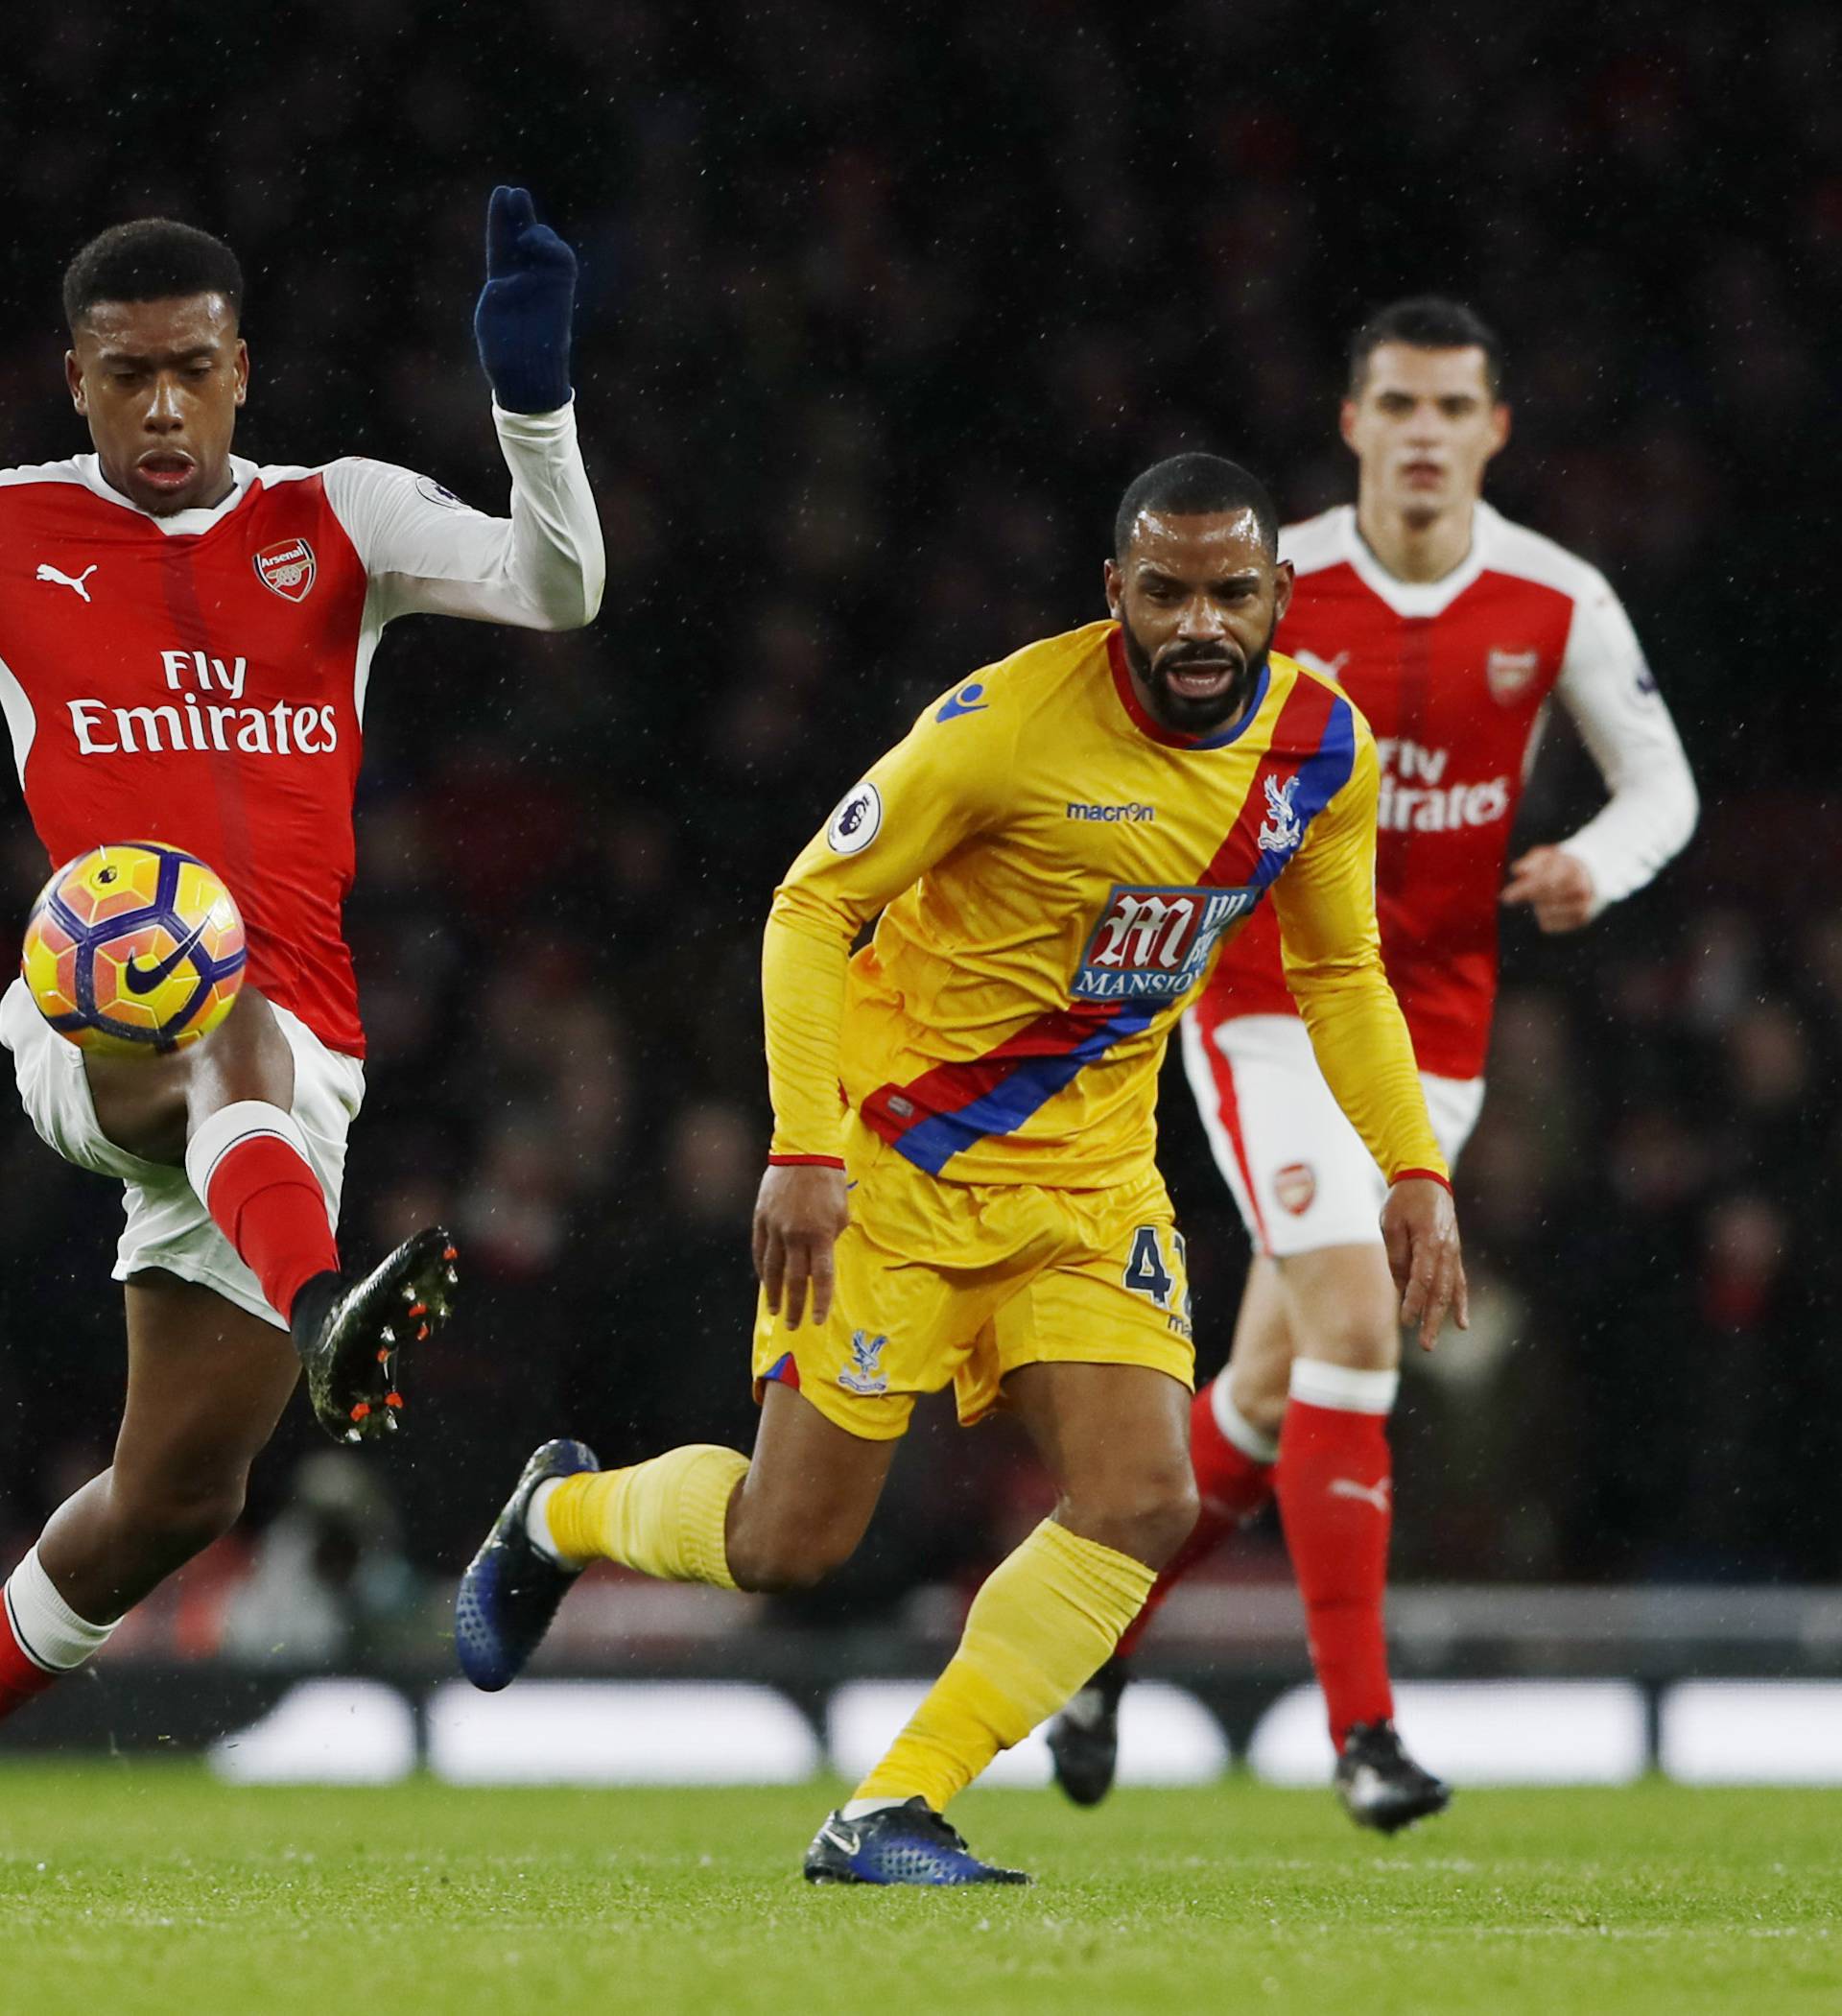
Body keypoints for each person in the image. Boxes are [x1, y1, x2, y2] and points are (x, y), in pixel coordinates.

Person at [457, 451, 1465, 1886]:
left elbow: (1340, 968)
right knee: (788, 1539)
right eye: (1165, 591)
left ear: (1278, 596)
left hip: (1095, 1182)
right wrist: (805, 1144)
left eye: (1231, 593)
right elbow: (812, 904)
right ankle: (556, 1510)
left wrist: (1409, 1167)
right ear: (1113, 590)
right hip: (901, 1168)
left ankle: (891, 1806)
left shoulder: (1321, 753)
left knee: (1145, 1498)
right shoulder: (1000, 728)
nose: (1198, 623)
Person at [1047, 297, 1698, 1831]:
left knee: (1272, 1389)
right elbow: (1143, 737)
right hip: (1269, 1004)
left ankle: (1082, 1654)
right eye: (1395, 404)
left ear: (1494, 430)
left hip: (1439, 1035)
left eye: (1451, 407)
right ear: (1351, 426)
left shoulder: (1557, 600)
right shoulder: (1281, 586)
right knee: (1357, 1314)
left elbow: (1661, 785)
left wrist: (1596, 864)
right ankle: (1365, 1733)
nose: (1422, 432)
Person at [0, 189, 603, 1721]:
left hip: (300, 1077)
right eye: (125, 371)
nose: (160, 403)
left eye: (191, 367)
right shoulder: (14, 528)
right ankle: (332, 1306)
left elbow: (560, 586)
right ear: (75, 380)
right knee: (214, 1007)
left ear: (242, 368)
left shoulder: (338, 514)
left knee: (174, 1501)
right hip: (94, 1018)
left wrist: (530, 407)